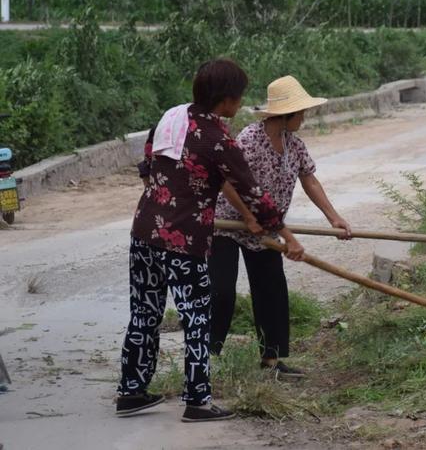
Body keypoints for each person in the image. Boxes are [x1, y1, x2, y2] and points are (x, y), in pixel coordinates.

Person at [117, 59, 303, 422]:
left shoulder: (171, 116)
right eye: (239, 97)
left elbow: (146, 164)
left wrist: (162, 198)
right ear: (226, 101)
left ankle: (131, 392)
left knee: (143, 314)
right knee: (197, 317)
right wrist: (287, 236)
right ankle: (198, 401)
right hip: (183, 241)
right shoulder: (220, 140)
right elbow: (253, 193)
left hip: (144, 232)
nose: (240, 104)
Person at [208, 75, 351, 377]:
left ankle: (271, 362)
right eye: (302, 112)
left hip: (266, 228)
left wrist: (333, 217)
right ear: (286, 114)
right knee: (221, 292)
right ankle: (205, 359)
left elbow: (309, 179)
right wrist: (247, 217)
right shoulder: (249, 139)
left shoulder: (294, 145)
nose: (304, 117)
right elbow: (229, 182)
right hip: (228, 225)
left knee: (272, 290)